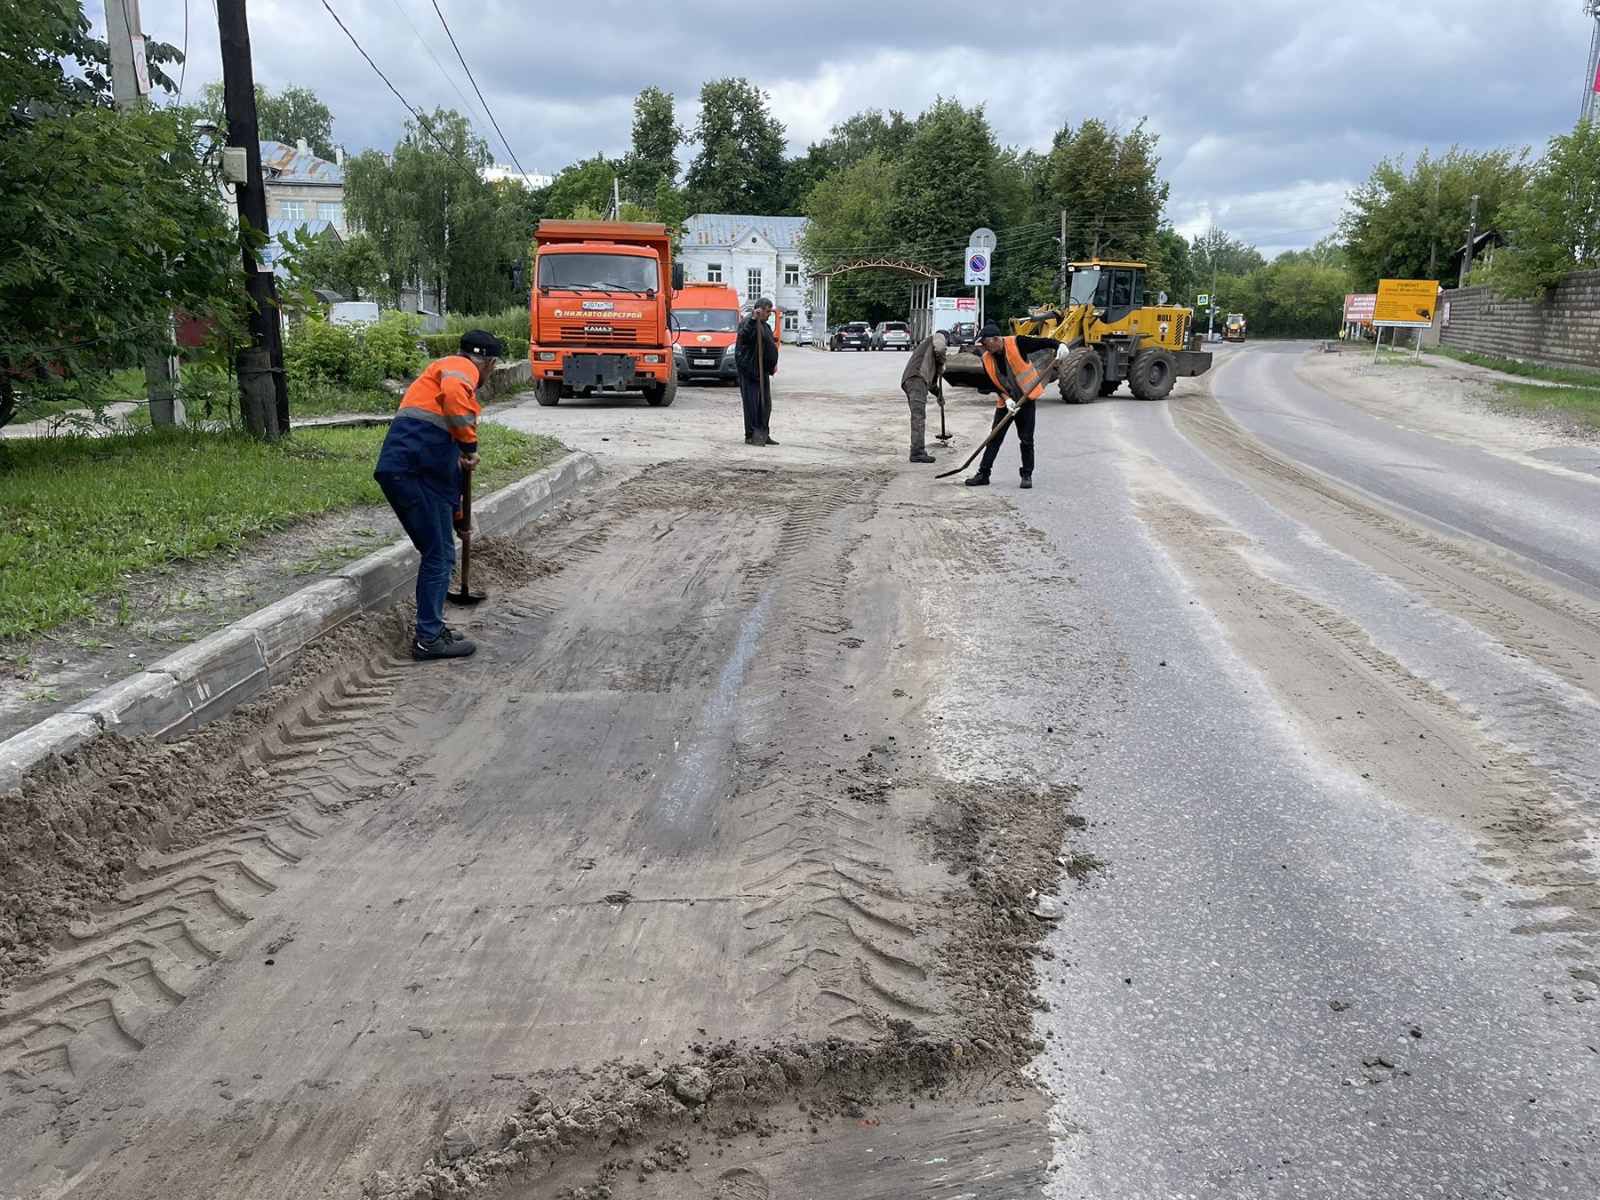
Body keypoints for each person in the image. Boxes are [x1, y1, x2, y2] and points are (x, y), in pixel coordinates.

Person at [373, 329, 502, 661]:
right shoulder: (459, 369)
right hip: (409, 473)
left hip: (416, 474)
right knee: (439, 555)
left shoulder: (438, 398)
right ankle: (428, 638)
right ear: (489, 362)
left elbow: (447, 475)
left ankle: (433, 628)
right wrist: (469, 444)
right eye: (491, 367)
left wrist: (459, 518)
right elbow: (456, 394)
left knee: (440, 550)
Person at [966, 322, 1061, 490]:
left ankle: (1026, 475)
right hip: (1007, 403)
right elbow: (991, 383)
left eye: (985, 343)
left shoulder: (1018, 343)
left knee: (1026, 440)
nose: (983, 347)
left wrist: (1060, 346)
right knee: (994, 438)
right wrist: (1006, 399)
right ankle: (983, 474)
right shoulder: (987, 358)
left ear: (996, 339)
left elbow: (1044, 342)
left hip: (1026, 400)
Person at [735, 297, 780, 446]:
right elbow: (745, 338)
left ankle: (764, 433)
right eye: (767, 311)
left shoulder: (764, 325)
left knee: (765, 404)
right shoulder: (748, 323)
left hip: (763, 371)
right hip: (750, 371)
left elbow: (768, 345)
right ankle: (751, 435)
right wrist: (754, 320)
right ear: (759, 310)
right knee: (752, 405)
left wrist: (772, 363)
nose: (769, 314)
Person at [901, 331, 948, 463]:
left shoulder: (927, 359)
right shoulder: (938, 336)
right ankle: (917, 452)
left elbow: (931, 383)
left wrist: (939, 394)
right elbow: (940, 348)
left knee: (918, 416)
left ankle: (917, 450)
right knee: (918, 417)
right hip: (916, 379)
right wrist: (942, 362)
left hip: (914, 380)